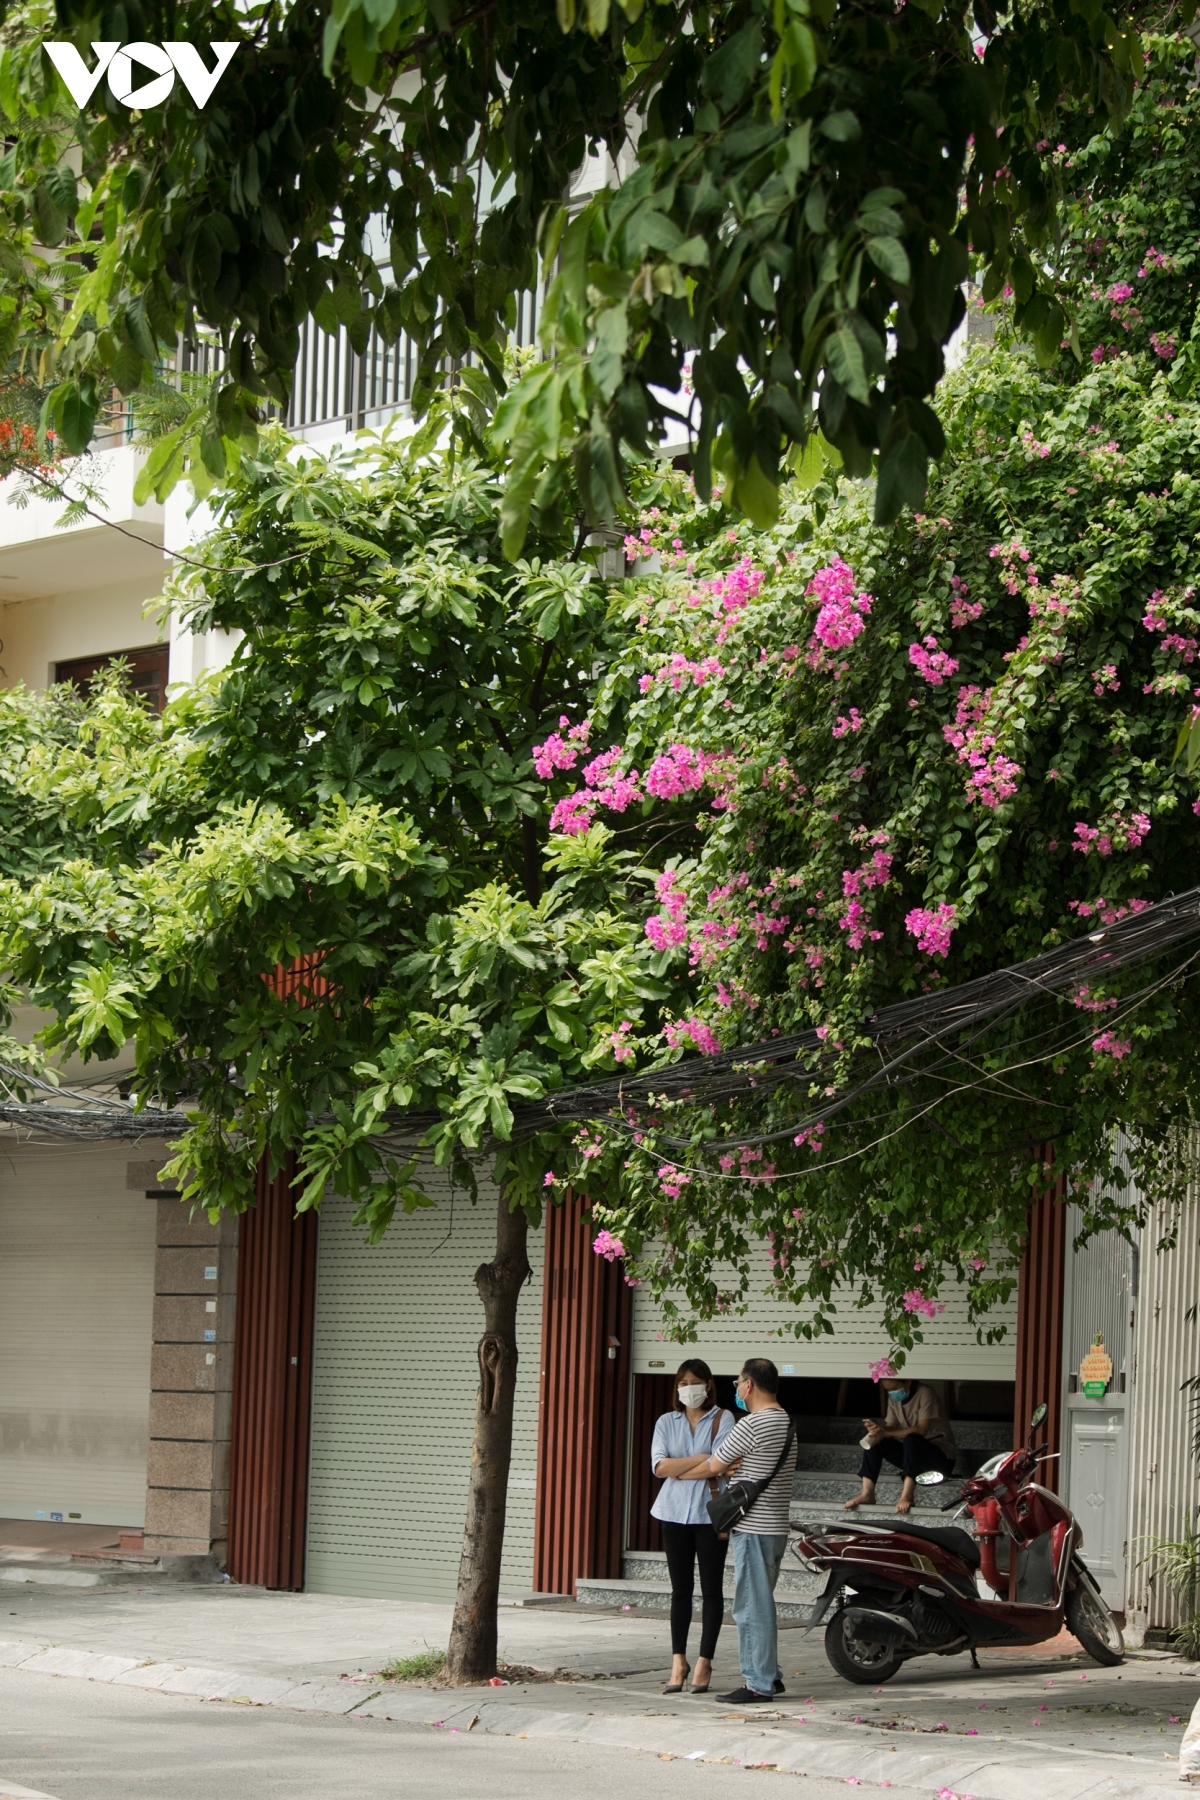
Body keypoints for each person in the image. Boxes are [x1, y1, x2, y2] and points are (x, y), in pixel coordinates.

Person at [696, 1356, 796, 1705]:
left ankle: (757, 1682)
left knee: (751, 1607)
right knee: (760, 1601)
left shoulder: (752, 1424)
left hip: (753, 1527)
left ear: (750, 1384)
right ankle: (770, 1674)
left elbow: (714, 1464)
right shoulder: (785, 1422)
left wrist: (676, 1470)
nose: (736, 1388)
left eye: (738, 1382)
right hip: (774, 1526)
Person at [649, 1358, 735, 1695]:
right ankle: (678, 1661)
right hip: (672, 1514)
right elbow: (659, 1466)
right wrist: (703, 1459)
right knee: (680, 1591)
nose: (689, 1388)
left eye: (695, 1382)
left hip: (710, 1514)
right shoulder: (666, 1422)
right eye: (682, 1383)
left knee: (712, 1591)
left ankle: (704, 1661)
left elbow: (723, 1462)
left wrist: (682, 1468)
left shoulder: (724, 1418)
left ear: (709, 1384)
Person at [844, 1374, 957, 1515]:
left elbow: (922, 1429)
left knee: (912, 1439)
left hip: (939, 1458)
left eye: (894, 1388)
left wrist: (886, 1432)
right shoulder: (895, 1399)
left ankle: (907, 1495)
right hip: (913, 1458)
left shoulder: (925, 1393)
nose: (892, 1393)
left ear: (908, 1381)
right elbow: (890, 1427)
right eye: (888, 1390)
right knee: (877, 1440)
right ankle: (867, 1493)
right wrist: (879, 1431)